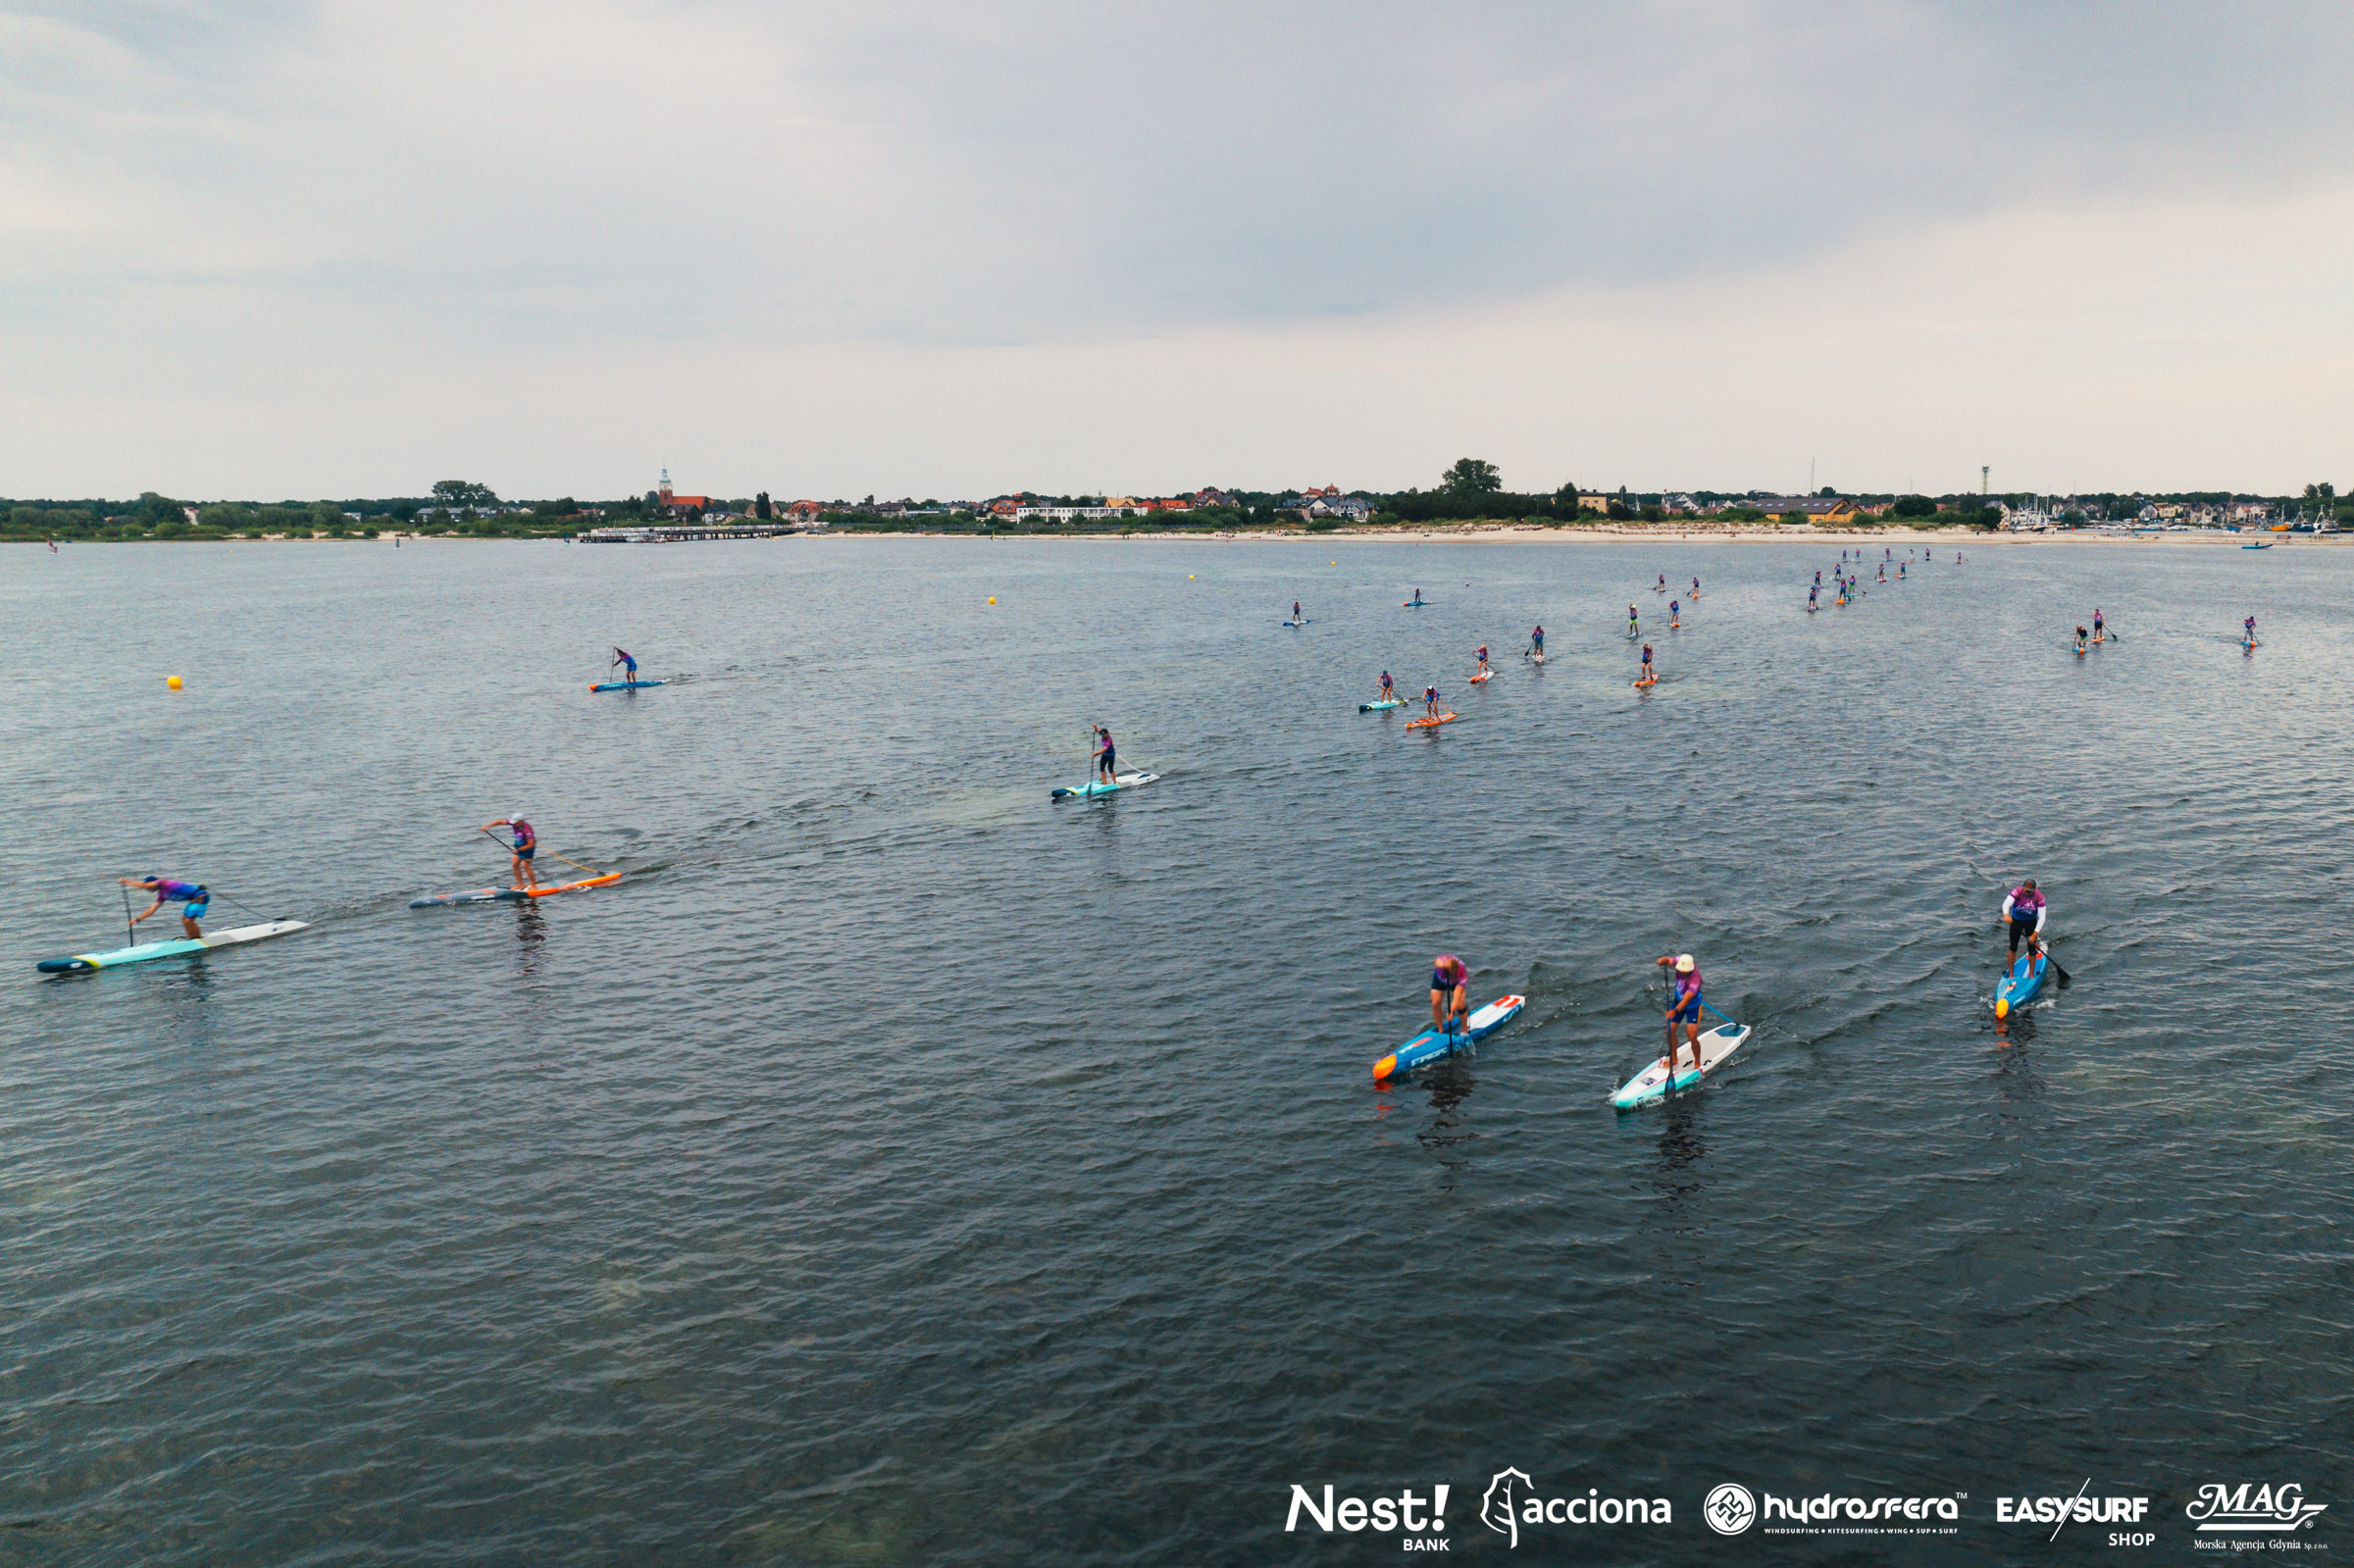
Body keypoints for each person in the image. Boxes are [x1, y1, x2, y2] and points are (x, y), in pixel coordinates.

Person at [1656, 953, 1704, 1080]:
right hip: (1678, 1001)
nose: (1681, 973)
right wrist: (1663, 960)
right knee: (1669, 1030)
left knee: (1691, 1035)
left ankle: (1697, 1063)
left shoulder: (1695, 979)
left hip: (1692, 1006)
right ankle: (1674, 1058)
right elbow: (1670, 960)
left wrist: (1674, 1011)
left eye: (1684, 972)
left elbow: (1687, 999)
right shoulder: (1680, 961)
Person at [123, 876, 210, 938]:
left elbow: (143, 885)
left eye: (148, 886)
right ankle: (192, 938)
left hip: (200, 896)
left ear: (153, 883)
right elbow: (151, 910)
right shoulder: (162, 896)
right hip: (193, 900)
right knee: (184, 920)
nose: (147, 889)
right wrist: (137, 920)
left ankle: (196, 939)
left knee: (188, 921)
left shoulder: (163, 882)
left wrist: (127, 882)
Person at [485, 816, 540, 889]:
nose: (513, 824)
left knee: (526, 866)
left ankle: (534, 886)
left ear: (521, 821)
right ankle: (520, 884)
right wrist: (488, 826)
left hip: (527, 848)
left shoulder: (527, 829)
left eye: (515, 823)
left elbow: (530, 844)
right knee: (515, 864)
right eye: (513, 823)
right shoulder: (513, 822)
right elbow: (500, 821)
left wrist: (519, 850)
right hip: (518, 846)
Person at [2000, 879, 2046, 963]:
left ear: (2034, 890)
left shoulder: (2039, 897)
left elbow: (2042, 918)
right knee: (2013, 947)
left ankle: (2032, 975)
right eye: (2026, 890)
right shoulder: (2017, 891)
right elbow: (2006, 904)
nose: (2027, 892)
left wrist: (2034, 935)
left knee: (2032, 949)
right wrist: (2006, 915)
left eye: (2029, 891)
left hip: (2031, 922)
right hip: (2016, 922)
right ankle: (2010, 974)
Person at [1430, 953, 1469, 1035]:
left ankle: (1465, 1031)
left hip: (1456, 983)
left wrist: (1451, 1011)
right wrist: (1443, 966)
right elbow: (1436, 962)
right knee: (1435, 1003)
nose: (1450, 976)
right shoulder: (1442, 960)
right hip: (1440, 979)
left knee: (1460, 1005)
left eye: (1451, 975)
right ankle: (1440, 1030)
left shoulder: (1462, 975)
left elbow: (1456, 997)